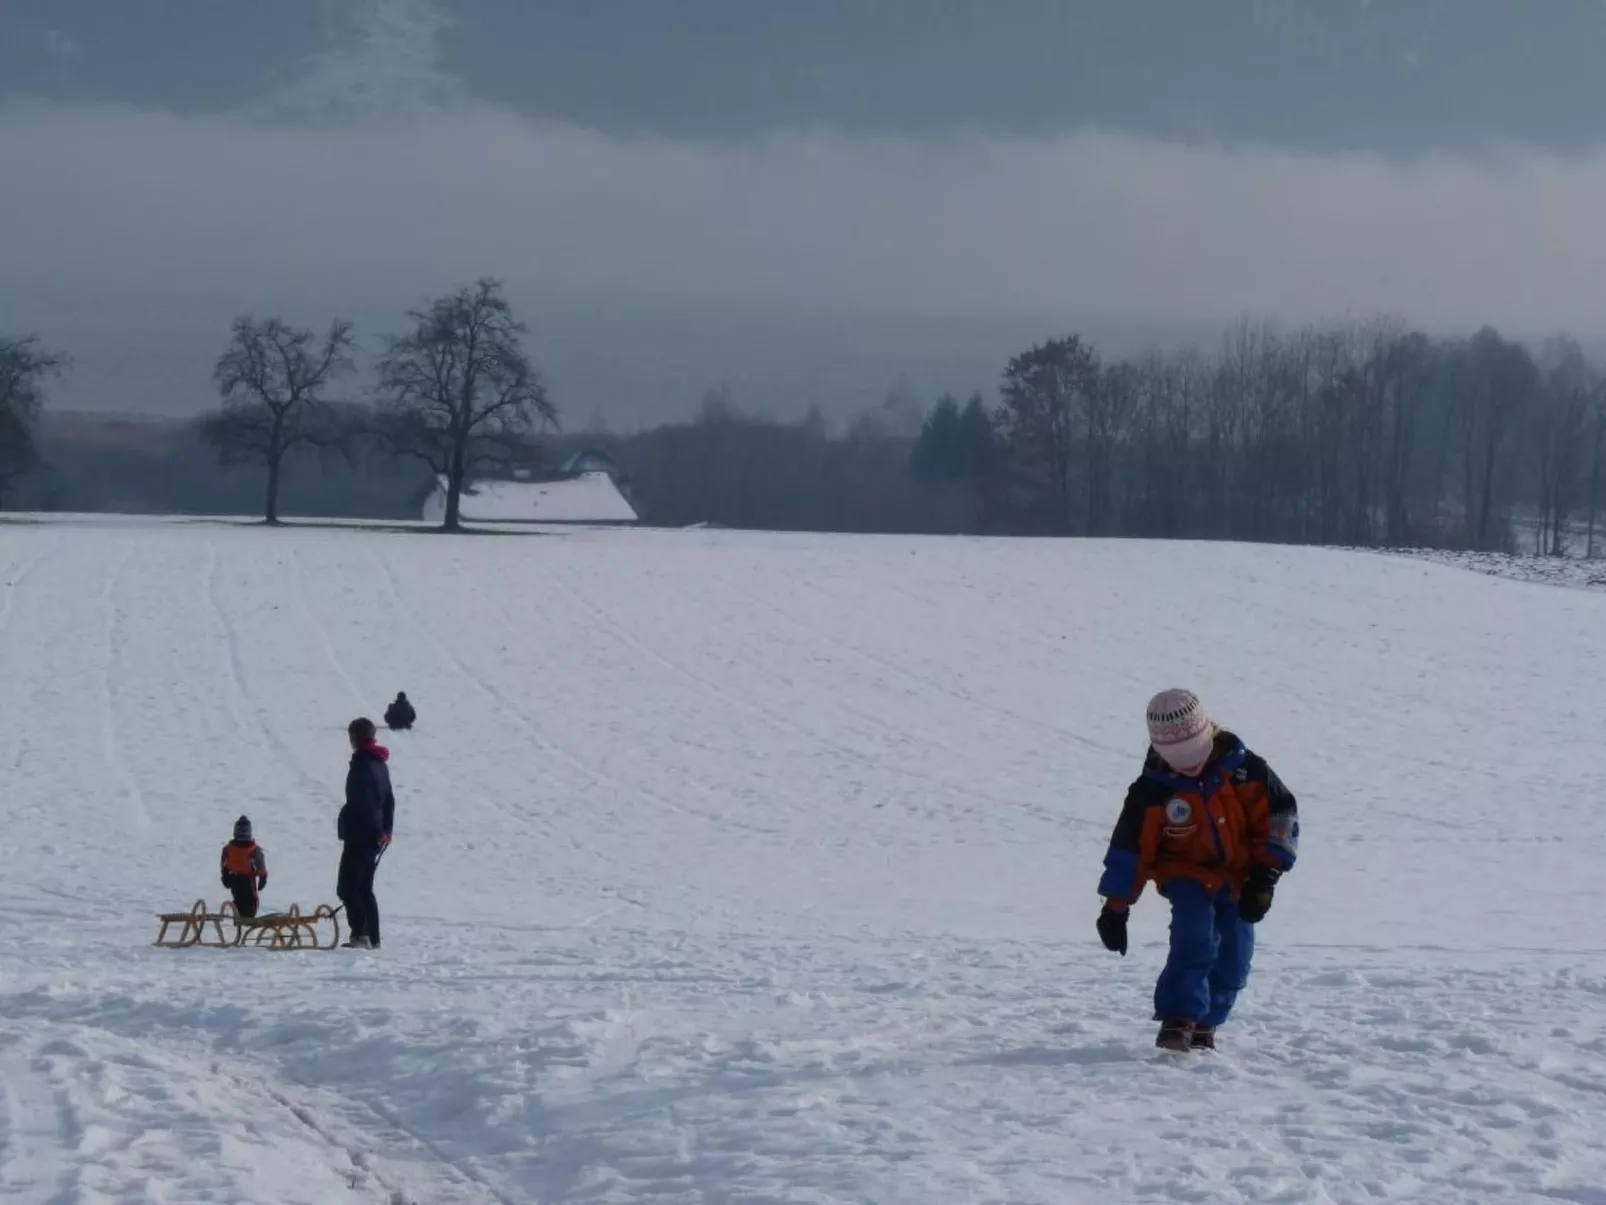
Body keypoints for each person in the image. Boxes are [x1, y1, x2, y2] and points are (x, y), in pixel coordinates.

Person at [1095, 688, 1299, 1052]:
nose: (1187, 766)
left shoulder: (1246, 771)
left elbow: (1279, 815)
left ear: (1209, 735)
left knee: (1236, 953)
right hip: (1185, 873)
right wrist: (1115, 906)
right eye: (1176, 758)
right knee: (1195, 938)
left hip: (1241, 876)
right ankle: (1180, 1017)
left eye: (1195, 754)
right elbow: (1129, 849)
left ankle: (1208, 1023)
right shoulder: (1152, 790)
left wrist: (1266, 876)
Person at [337, 717, 394, 949]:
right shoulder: (379, 762)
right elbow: (389, 800)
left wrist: (377, 831)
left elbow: (366, 805)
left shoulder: (363, 764)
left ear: (354, 738)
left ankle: (361, 935)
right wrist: (386, 830)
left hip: (361, 836)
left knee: (347, 887)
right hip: (373, 836)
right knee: (364, 888)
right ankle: (372, 937)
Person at [220, 815, 268, 918]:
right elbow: (260, 865)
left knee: (238, 900)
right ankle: (248, 919)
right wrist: (263, 878)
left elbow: (224, 863)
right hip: (247, 880)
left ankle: (239, 918)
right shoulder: (254, 850)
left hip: (234, 879)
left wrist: (225, 876)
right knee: (251, 903)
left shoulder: (228, 848)